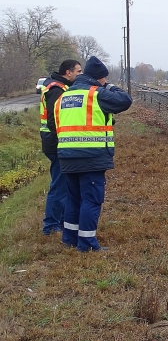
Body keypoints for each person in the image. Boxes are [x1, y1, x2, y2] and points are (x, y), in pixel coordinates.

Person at [54, 56, 132, 252]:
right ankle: (87, 244)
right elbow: (125, 101)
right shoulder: (96, 94)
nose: (105, 82)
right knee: (91, 200)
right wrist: (111, 87)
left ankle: (70, 238)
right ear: (99, 78)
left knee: (73, 199)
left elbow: (57, 125)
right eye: (104, 79)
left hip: (66, 157)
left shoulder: (63, 97)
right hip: (91, 157)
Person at [39, 59, 82, 235]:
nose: (80, 74)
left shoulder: (60, 87)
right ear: (68, 72)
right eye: (78, 71)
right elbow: (53, 120)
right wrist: (66, 140)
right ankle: (51, 226)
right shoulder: (57, 89)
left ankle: (61, 222)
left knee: (63, 183)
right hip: (55, 143)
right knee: (59, 185)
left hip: (54, 141)